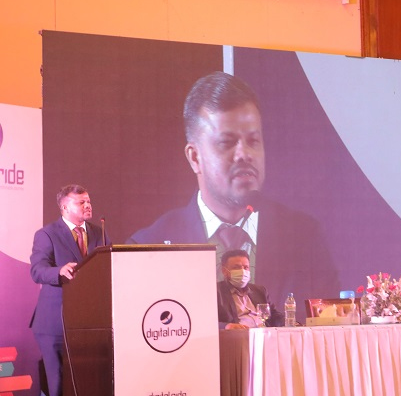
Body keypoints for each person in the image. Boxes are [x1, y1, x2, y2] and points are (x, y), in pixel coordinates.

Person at [127, 71, 336, 314]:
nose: (244, 154)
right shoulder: (148, 248)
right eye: (227, 143)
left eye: (253, 141)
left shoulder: (305, 238)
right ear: (195, 158)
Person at [29, 185, 111, 396]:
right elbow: (37, 270)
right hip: (55, 322)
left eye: (88, 201)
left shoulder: (99, 232)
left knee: (89, 382)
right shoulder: (47, 234)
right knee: (58, 384)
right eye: (81, 202)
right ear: (65, 207)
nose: (88, 205)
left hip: (89, 324)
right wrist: (59, 271)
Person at [218, 249, 283, 329]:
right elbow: (207, 321)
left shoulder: (260, 290)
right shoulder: (216, 292)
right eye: (236, 267)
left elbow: (274, 315)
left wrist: (288, 322)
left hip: (263, 333)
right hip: (238, 335)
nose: (242, 271)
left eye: (246, 267)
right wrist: (226, 326)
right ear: (224, 271)